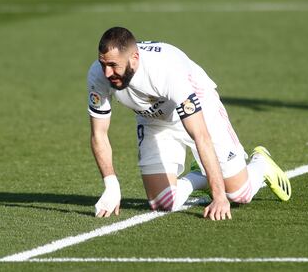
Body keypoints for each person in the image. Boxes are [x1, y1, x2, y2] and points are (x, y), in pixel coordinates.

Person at [87, 26, 291, 220]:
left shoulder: (166, 70)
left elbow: (200, 135)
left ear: (135, 58)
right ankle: (200, 174)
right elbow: (99, 134)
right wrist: (111, 186)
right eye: (103, 64)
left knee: (239, 194)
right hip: (154, 120)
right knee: (163, 202)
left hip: (201, 109)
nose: (107, 73)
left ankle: (261, 164)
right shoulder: (98, 75)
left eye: (113, 66)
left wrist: (219, 197)